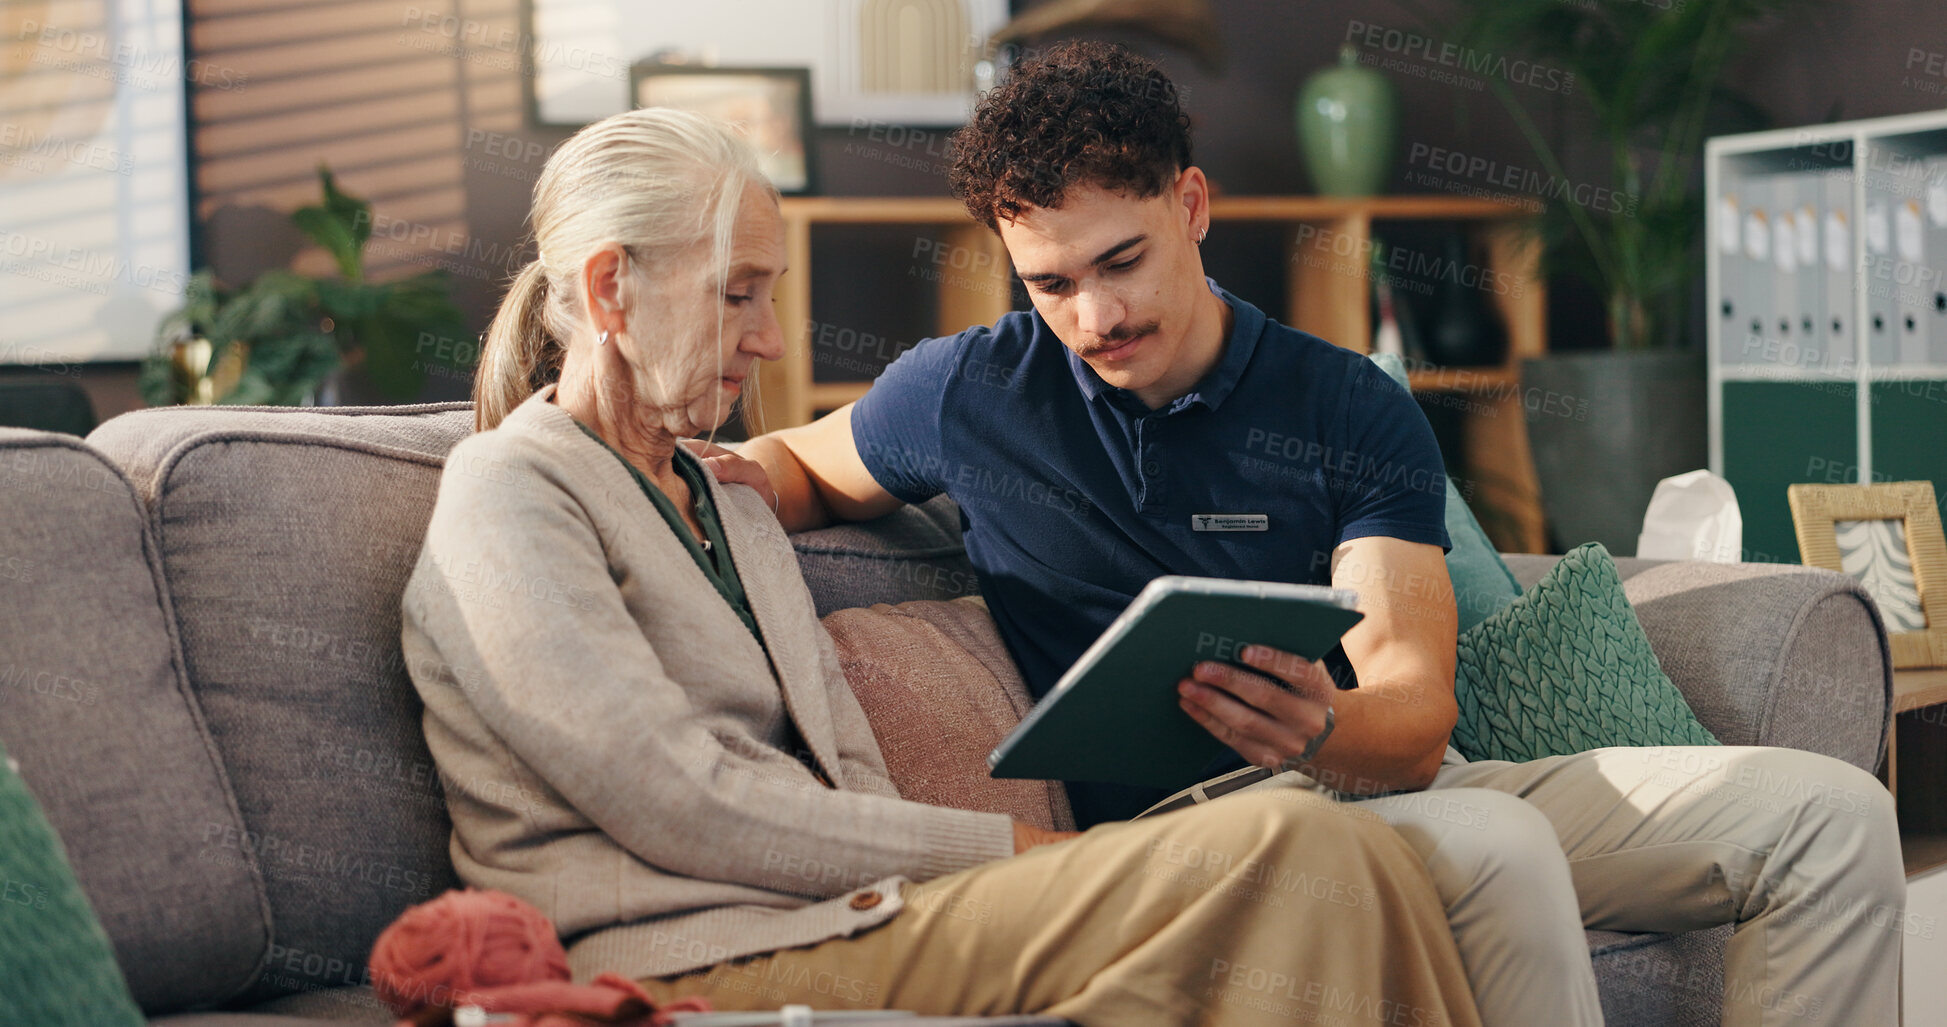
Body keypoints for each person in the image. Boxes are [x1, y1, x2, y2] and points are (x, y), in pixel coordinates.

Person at [719, 42, 1908, 1027]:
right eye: (1049, 282)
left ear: (1191, 204)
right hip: (1184, 835)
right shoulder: (963, 391)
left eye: (1122, 261)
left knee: (1831, 815)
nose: (1096, 314)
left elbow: (1413, 707)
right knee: (1492, 838)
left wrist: (1329, 723)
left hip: (1371, 779)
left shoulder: (1344, 403)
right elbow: (788, 469)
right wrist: (660, 475)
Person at [401, 105, 1485, 1027]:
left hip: (855, 915)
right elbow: (680, 800)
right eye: (739, 295)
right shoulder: (512, 492)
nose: (773, 339)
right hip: (680, 948)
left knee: (1362, 857)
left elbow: (845, 767)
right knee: (1294, 845)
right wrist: (1004, 850)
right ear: (609, 293)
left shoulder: (723, 505)